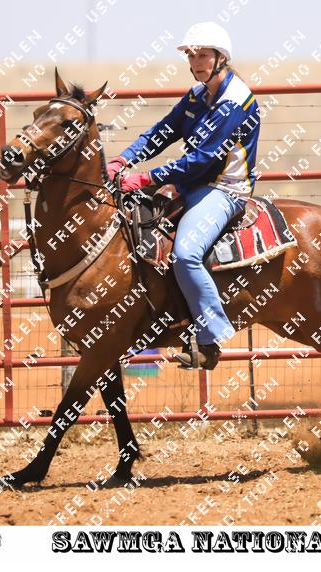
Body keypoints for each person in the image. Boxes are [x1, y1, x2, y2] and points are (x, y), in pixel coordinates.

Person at [107, 21, 261, 369]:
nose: (196, 62)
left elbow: (203, 159)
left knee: (186, 254)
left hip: (224, 189)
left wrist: (145, 177)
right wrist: (123, 159)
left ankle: (209, 338)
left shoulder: (234, 102)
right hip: (192, 183)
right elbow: (163, 131)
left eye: (203, 55)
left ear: (222, 58)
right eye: (192, 56)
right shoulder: (196, 95)